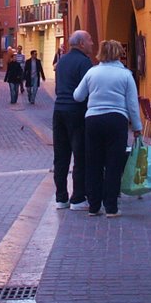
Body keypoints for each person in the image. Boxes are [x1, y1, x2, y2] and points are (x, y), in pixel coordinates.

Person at [74, 39, 143, 218]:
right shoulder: (126, 75)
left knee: (93, 163)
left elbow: (78, 96)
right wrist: (137, 127)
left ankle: (94, 206)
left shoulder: (92, 72)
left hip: (93, 120)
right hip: (117, 120)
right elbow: (132, 104)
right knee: (114, 163)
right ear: (118, 53)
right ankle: (111, 207)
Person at [52, 30, 93, 211]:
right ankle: (77, 198)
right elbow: (87, 91)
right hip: (77, 112)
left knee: (61, 156)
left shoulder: (62, 62)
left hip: (59, 110)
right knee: (80, 154)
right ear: (82, 43)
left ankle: (61, 197)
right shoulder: (85, 63)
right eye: (90, 40)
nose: (92, 43)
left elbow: (57, 88)